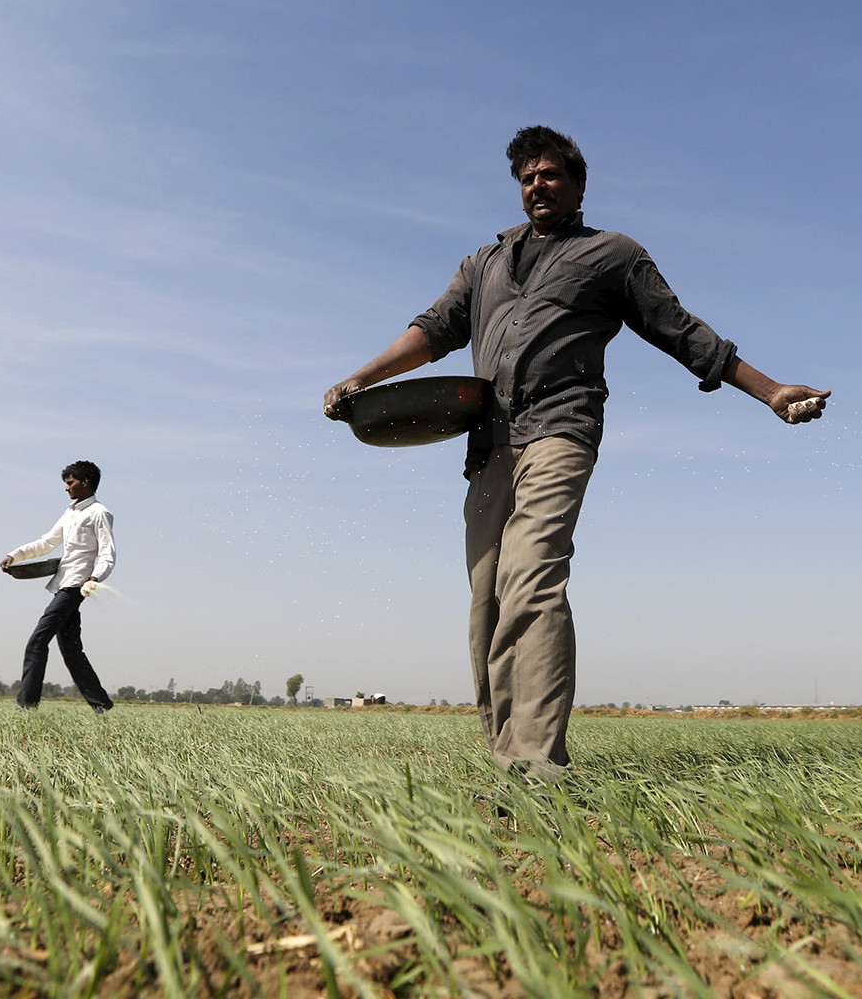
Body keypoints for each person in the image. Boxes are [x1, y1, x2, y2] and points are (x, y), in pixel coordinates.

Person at [324, 126, 829, 780]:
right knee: (487, 602)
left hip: (561, 431)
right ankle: (505, 752)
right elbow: (434, 329)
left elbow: (681, 331)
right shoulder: (485, 262)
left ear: (579, 184)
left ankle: (536, 760)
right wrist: (364, 378)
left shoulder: (611, 255)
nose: (537, 184)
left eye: (551, 174)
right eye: (528, 177)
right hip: (490, 442)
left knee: (532, 575)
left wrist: (769, 392)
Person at [0, 461, 116, 713]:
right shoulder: (71, 513)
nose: (66, 488)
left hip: (76, 585)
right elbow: (47, 542)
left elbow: (107, 553)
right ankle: (102, 705)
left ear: (86, 482)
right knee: (72, 651)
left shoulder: (100, 513)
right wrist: (15, 555)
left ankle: (26, 708)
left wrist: (95, 577)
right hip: (61, 584)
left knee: (38, 640)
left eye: (70, 482)